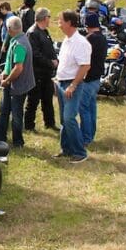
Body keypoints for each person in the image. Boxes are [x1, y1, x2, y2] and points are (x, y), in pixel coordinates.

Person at [53, 10, 92, 163]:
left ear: (69, 23)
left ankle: (80, 152)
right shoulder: (66, 40)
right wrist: (57, 78)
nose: (58, 24)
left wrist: (73, 85)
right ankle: (66, 149)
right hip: (62, 82)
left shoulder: (81, 43)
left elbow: (85, 66)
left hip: (72, 85)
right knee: (64, 119)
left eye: (60, 21)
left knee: (69, 118)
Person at [0, 16, 35, 147]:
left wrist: (7, 80)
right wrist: (3, 73)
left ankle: (18, 142)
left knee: (16, 115)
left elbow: (18, 68)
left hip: (18, 86)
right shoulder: (16, 39)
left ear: (10, 29)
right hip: (11, 83)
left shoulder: (20, 45)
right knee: (4, 110)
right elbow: (10, 62)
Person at [24, 7, 59, 132]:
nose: (50, 19)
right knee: (33, 100)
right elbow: (35, 54)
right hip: (36, 72)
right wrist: (50, 62)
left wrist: (55, 60)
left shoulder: (44, 31)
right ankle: (29, 125)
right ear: (45, 18)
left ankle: (49, 123)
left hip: (46, 73)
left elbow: (50, 48)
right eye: (49, 17)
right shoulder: (33, 32)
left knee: (47, 99)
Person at [78, 12, 108, 146]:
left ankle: (86, 138)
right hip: (97, 78)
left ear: (87, 24)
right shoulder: (102, 37)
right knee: (91, 108)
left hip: (88, 79)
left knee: (83, 108)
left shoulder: (89, 39)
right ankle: (91, 134)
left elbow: (83, 60)